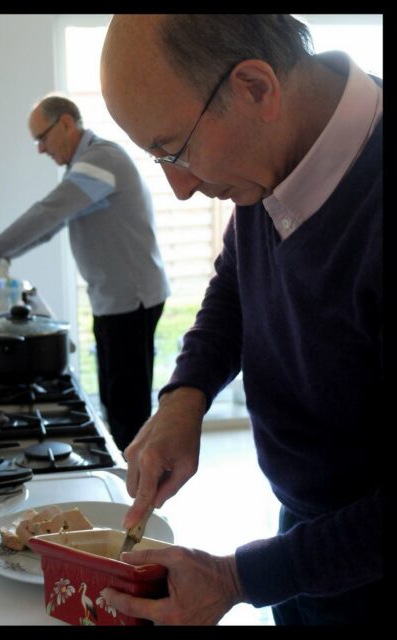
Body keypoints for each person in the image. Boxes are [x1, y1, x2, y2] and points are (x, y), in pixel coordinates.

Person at [97, 14, 381, 625]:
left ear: (256, 87)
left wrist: (233, 578)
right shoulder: (273, 158)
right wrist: (185, 397)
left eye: (176, 148)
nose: (179, 187)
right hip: (305, 536)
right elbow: (236, 283)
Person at [0, 94, 171, 452]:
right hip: (118, 299)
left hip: (132, 300)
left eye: (42, 137)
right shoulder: (86, 166)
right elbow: (51, 225)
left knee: (127, 407)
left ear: (66, 123)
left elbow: (47, 213)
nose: (40, 149)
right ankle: (128, 482)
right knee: (117, 402)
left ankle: (135, 491)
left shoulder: (101, 160)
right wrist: (0, 258)